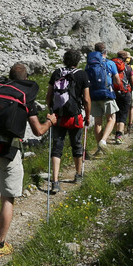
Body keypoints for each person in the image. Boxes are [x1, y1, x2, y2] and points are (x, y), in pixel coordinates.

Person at [0, 62, 54, 259]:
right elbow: (38, 131)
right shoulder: (24, 98)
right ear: (26, 78)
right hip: (9, 151)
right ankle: (0, 245)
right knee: (8, 198)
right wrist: (50, 121)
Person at [48, 49, 90, 194]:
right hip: (75, 116)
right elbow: (86, 99)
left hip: (58, 117)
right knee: (76, 144)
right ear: (78, 60)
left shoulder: (56, 73)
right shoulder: (82, 74)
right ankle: (78, 175)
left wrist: (51, 111)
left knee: (57, 147)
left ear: (64, 59)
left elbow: (49, 95)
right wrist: (88, 115)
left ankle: (55, 180)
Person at [86, 42, 119, 157]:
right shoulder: (110, 63)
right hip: (106, 94)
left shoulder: (89, 65)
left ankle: (99, 150)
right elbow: (117, 81)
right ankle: (103, 141)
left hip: (93, 95)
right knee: (111, 118)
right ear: (105, 52)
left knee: (97, 122)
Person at [111, 50, 133, 143]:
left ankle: (113, 131)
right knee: (123, 114)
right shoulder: (129, 68)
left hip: (114, 92)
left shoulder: (112, 65)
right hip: (125, 92)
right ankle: (119, 135)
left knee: (116, 113)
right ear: (126, 58)